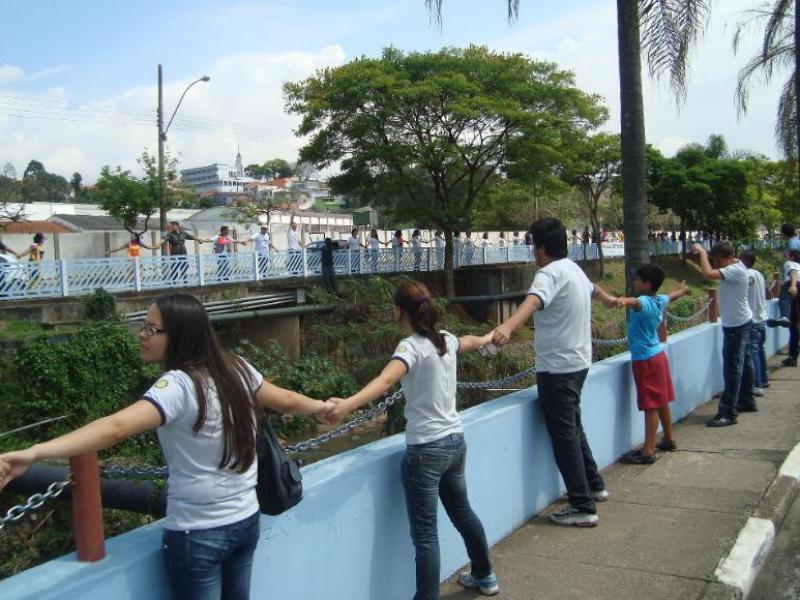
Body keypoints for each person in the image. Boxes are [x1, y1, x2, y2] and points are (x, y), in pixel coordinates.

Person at [0, 293, 332, 600]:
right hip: (245, 521)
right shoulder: (237, 368)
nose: (142, 335)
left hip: (198, 533)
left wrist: (35, 452)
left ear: (180, 335)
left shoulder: (177, 386)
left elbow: (115, 428)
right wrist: (322, 407)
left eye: (151, 329)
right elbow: (288, 401)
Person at [326, 281, 500, 599]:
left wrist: (347, 405)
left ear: (399, 312)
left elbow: (386, 379)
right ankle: (485, 575)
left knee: (426, 537)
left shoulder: (410, 347)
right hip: (455, 442)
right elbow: (469, 341)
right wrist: (489, 337)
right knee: (463, 513)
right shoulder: (444, 340)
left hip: (426, 451)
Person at [492, 218, 618, 527]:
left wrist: (507, 326)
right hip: (579, 363)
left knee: (564, 436)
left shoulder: (547, 274)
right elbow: (594, 290)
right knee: (573, 427)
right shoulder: (573, 269)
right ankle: (594, 485)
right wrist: (609, 300)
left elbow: (533, 301)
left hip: (557, 369)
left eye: (533, 245)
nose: (532, 251)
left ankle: (582, 505)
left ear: (542, 248)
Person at [615, 266, 689, 464]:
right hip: (658, 356)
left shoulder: (644, 301)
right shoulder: (659, 300)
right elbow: (672, 296)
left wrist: (623, 301)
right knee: (662, 400)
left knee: (650, 406)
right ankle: (668, 439)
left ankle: (648, 450)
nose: (635, 282)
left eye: (638, 280)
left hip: (645, 360)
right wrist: (683, 290)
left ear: (647, 284)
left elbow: (635, 302)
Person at [691, 242, 756, 426]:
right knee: (745, 364)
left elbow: (707, 274)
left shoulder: (735, 270)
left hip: (736, 326)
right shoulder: (737, 266)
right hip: (741, 322)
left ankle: (728, 412)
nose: (716, 264)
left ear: (727, 258)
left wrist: (702, 252)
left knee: (732, 369)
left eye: (718, 261)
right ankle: (747, 400)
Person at [739, 251, 770, 390]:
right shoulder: (759, 274)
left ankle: (757, 384)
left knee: (753, 352)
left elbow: (744, 282)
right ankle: (763, 379)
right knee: (760, 350)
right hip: (762, 318)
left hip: (752, 320)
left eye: (740, 260)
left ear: (746, 260)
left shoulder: (748, 275)